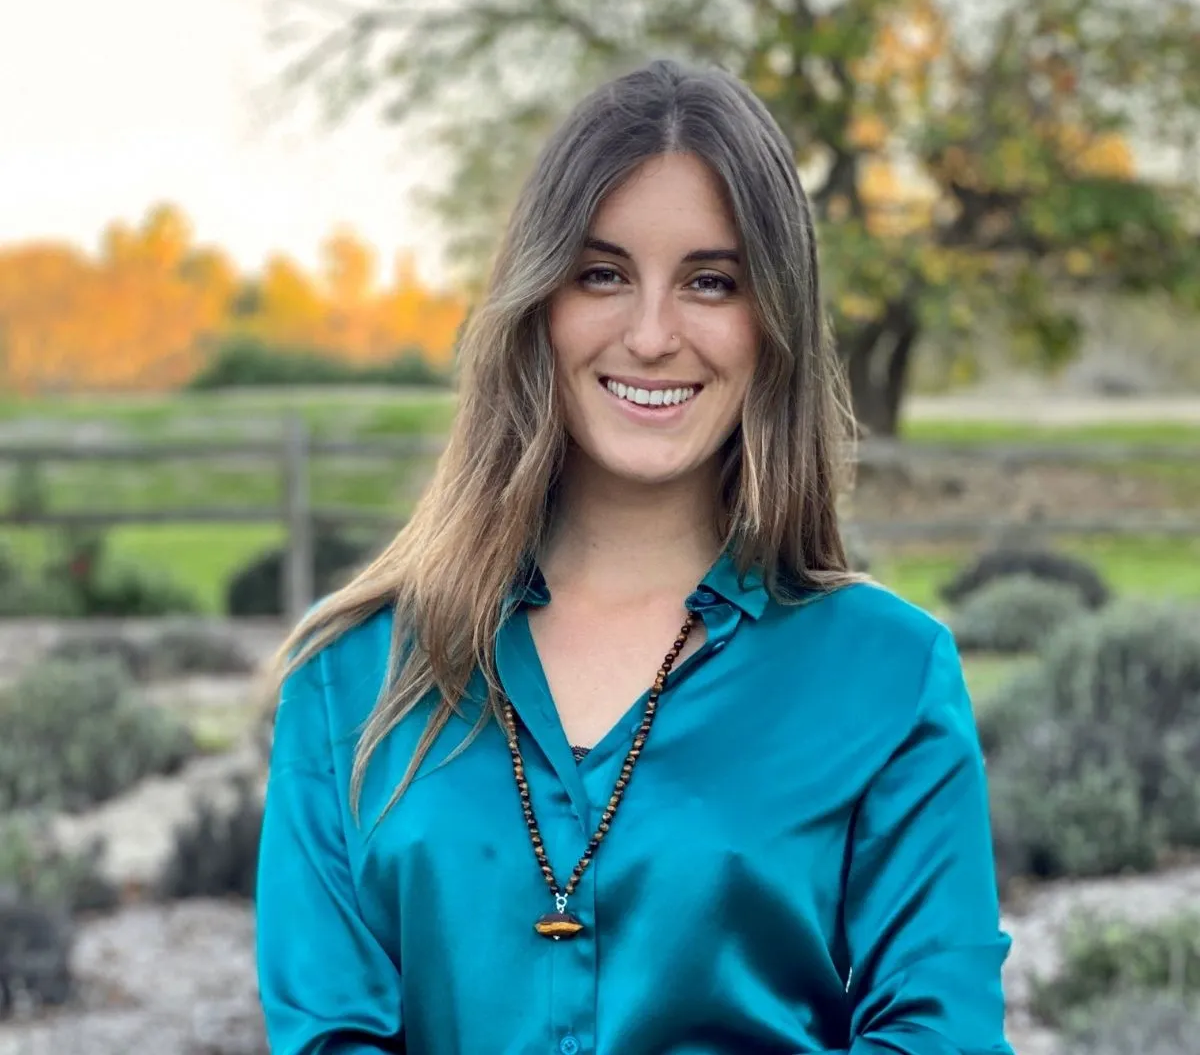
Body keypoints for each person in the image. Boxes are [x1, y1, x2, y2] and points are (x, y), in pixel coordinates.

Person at [255, 58, 1013, 1054]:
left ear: (773, 322)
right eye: (602, 274)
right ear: (539, 305)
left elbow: (939, 1036)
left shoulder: (890, 674)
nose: (653, 335)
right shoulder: (353, 679)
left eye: (711, 281)